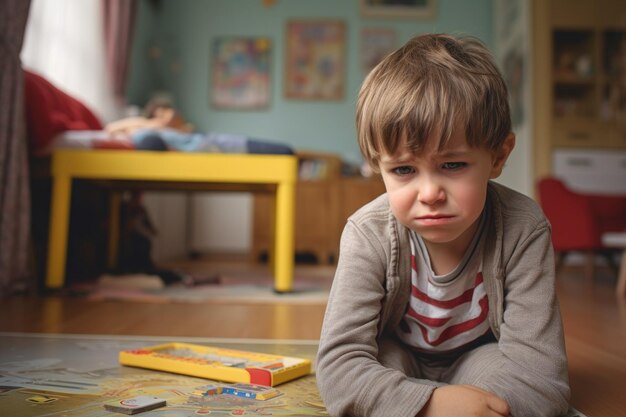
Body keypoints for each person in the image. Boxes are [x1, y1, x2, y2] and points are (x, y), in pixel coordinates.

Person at [316, 33, 570, 417]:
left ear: (498, 156)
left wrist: (481, 406)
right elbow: (339, 364)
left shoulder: (524, 228)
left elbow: (542, 377)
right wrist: (431, 404)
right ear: (377, 165)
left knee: (506, 377)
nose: (430, 192)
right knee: (376, 367)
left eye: (452, 165)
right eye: (403, 169)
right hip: (396, 358)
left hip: (480, 359)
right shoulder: (368, 232)